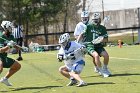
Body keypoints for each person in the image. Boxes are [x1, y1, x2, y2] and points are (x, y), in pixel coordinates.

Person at [77, 12, 111, 77]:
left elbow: (106, 39)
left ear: (99, 20)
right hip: (90, 45)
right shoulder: (88, 26)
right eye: (94, 20)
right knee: (96, 56)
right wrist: (77, 43)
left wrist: (100, 40)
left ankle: (105, 69)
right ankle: (101, 71)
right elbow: (81, 34)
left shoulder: (102, 28)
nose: (95, 21)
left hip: (98, 46)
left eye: (96, 19)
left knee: (106, 56)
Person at [0, 21, 21, 86]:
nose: (11, 29)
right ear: (5, 28)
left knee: (17, 66)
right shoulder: (1, 36)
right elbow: (0, 50)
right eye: (9, 28)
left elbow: (14, 45)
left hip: (4, 57)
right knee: (0, 67)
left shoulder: (11, 36)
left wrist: (21, 48)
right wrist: (8, 46)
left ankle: (5, 79)